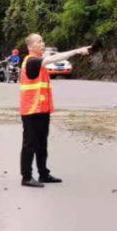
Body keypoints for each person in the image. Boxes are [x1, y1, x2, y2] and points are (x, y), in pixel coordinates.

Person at [20, 34, 91, 188]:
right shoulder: (31, 61)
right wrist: (76, 51)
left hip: (42, 109)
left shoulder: (39, 63)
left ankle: (43, 174)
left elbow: (53, 58)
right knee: (29, 144)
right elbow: (55, 58)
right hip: (31, 110)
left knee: (42, 143)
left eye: (42, 41)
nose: (43, 43)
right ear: (30, 47)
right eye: (39, 42)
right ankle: (26, 177)